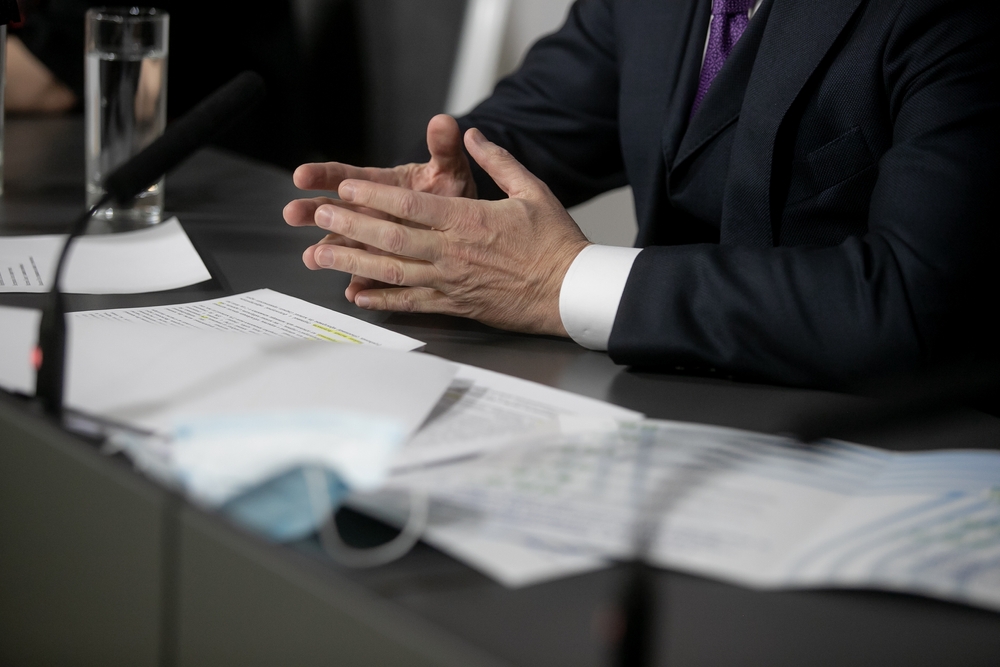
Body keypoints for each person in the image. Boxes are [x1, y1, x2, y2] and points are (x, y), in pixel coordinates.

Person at [284, 0, 1000, 389]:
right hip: (652, 408)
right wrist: (446, 196)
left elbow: (911, 298)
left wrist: (561, 281)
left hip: (889, 448)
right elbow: (531, 124)